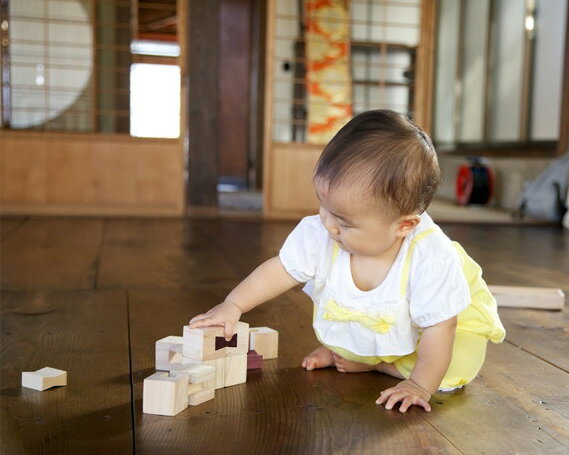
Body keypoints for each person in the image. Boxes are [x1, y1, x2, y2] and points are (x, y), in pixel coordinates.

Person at [189, 110, 505, 413]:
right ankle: (357, 355)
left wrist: (420, 386)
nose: (328, 224)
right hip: (384, 320)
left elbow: (440, 328)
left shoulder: (431, 258)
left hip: (447, 328)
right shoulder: (324, 232)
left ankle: (382, 365)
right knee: (353, 320)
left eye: (344, 221)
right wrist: (234, 304)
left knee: (455, 368)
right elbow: (281, 269)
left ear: (404, 226)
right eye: (322, 206)